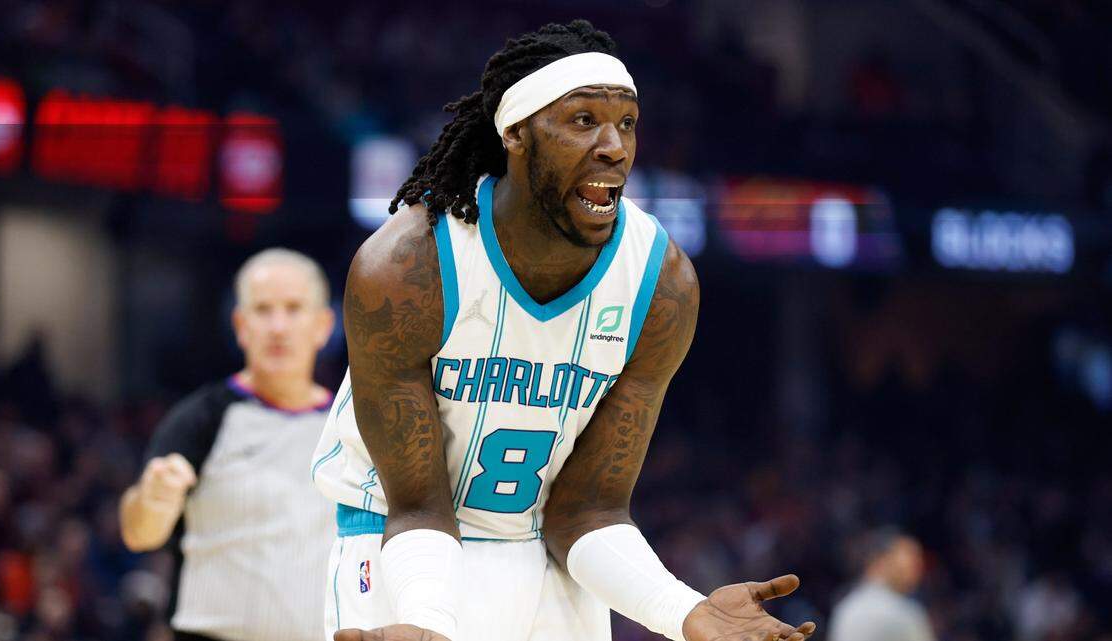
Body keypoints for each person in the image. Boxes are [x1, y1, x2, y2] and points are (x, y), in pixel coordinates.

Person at [311, 19, 817, 641]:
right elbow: (418, 504)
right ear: (517, 133)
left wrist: (684, 611)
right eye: (583, 121)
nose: (615, 147)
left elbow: (587, 511)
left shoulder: (661, 284)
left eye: (626, 124)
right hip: (398, 546)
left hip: (545, 555)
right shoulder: (408, 268)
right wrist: (427, 622)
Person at [119, 248, 336, 641]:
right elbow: (140, 533)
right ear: (240, 324)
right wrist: (152, 500)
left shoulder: (352, 425)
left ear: (323, 325)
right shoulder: (203, 417)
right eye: (263, 309)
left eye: (293, 309)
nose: (278, 326)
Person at [827, 527, 934, 641]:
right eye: (910, 559)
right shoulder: (904, 613)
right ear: (881, 561)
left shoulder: (845, 608)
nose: (918, 568)